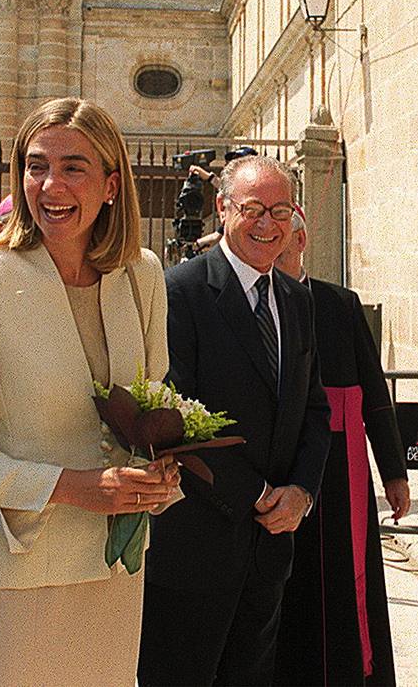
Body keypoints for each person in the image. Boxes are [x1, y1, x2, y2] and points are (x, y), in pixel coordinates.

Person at [0, 98, 180, 686]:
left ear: (111, 185)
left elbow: (155, 409)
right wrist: (71, 488)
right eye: (36, 166)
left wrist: (159, 474)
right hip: (11, 575)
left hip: (112, 573)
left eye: (73, 167)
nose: (50, 184)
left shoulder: (143, 275)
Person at [138, 154, 331, 686]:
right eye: (253, 209)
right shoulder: (179, 291)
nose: (268, 224)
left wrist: (302, 492)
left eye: (280, 210)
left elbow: (314, 409)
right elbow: (176, 417)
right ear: (223, 209)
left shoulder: (295, 300)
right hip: (196, 544)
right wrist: (257, 493)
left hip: (270, 545)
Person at [273, 207, 409, 686]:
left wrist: (394, 471)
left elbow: (374, 392)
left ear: (302, 240)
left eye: (281, 236)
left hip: (337, 465)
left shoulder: (339, 304)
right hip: (277, 461)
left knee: (340, 579)